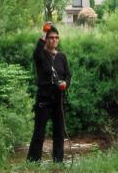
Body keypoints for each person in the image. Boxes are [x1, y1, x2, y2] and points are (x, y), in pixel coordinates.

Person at [27, 22, 71, 163]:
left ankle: (58, 162)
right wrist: (43, 31)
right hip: (44, 99)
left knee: (59, 133)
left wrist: (65, 83)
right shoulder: (41, 56)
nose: (54, 40)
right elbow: (36, 52)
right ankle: (33, 162)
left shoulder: (62, 57)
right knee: (39, 133)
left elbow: (68, 75)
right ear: (46, 39)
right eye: (51, 37)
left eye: (56, 37)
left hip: (58, 99)